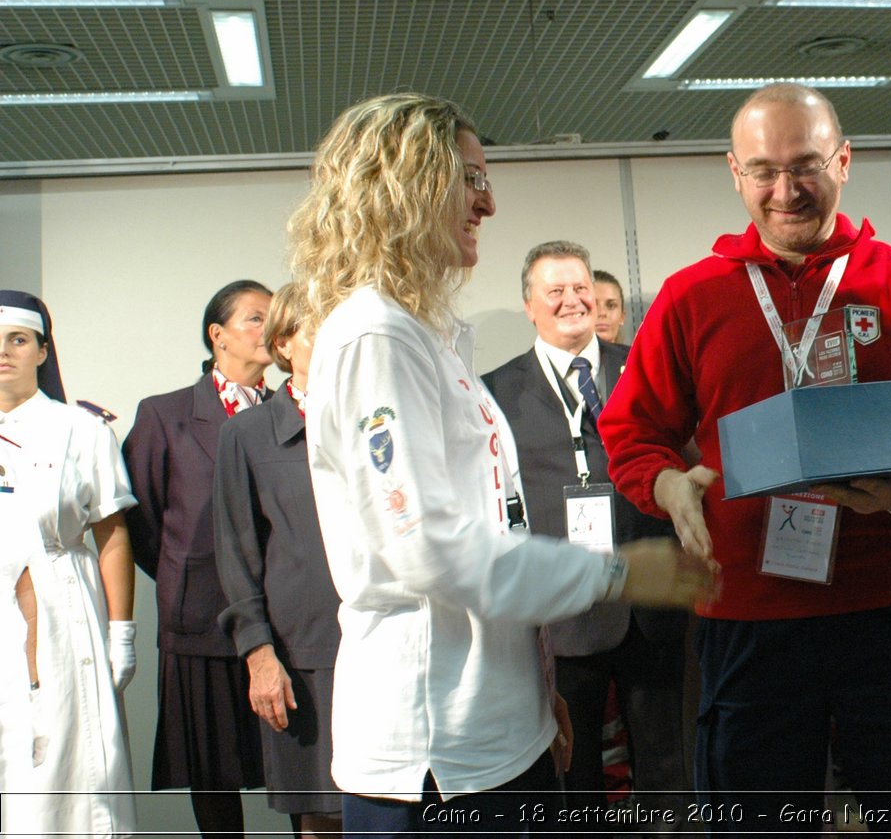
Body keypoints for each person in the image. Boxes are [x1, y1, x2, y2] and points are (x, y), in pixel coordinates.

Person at [287, 92, 712, 836]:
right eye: (470, 179)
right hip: (433, 753)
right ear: (405, 184)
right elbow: (425, 547)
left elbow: (493, 521)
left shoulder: (424, 334)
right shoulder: (373, 338)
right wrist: (616, 572)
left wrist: (532, 686)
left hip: (493, 722)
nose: (488, 201)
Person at [599, 82, 891, 829]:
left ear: (844, 160)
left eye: (806, 165)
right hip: (750, 612)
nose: (786, 190)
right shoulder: (691, 297)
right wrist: (668, 485)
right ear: (734, 173)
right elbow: (631, 432)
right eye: (763, 170)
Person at [482, 241, 690, 832]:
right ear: (529, 305)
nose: (573, 301)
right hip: (563, 612)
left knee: (665, 766)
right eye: (556, 291)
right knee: (575, 777)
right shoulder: (496, 391)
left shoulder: (646, 365)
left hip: (650, 605)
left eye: (581, 289)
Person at [124, 279, 274, 837]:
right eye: (255, 319)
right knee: (212, 772)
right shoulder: (165, 416)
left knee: (300, 764)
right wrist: (186, 572)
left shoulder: (298, 411)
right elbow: (144, 521)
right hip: (201, 620)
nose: (269, 329)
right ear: (218, 336)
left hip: (286, 612)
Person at [0, 290, 137, 837]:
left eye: (17, 340)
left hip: (59, 607)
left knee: (64, 765)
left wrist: (121, 632)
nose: (4, 352)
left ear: (41, 350)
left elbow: (112, 533)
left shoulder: (81, 429)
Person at [213, 281, 342, 838]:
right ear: (285, 342)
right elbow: (237, 554)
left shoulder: (378, 420)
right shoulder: (248, 434)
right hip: (303, 653)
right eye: (321, 329)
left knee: (395, 806)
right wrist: (259, 655)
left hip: (384, 643)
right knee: (320, 815)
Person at [592, 269, 628, 345]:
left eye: (611, 306)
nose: (602, 313)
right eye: (593, 305)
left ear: (622, 317)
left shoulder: (638, 356)